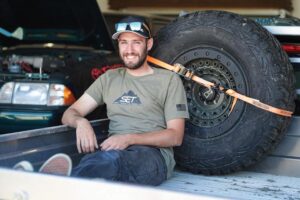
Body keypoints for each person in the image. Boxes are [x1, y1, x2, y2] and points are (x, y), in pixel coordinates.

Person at [14, 16, 189, 186]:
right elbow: (70, 114)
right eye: (123, 42)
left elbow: (175, 136)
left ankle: (50, 186)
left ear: (148, 44)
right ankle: (55, 186)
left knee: (109, 162)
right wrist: (81, 122)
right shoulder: (109, 79)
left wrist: (129, 139)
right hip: (111, 152)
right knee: (99, 163)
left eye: (136, 42)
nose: (129, 50)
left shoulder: (168, 80)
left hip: (153, 156)